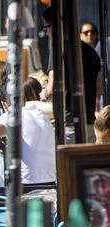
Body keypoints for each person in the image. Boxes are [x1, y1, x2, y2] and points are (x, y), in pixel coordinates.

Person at [41, 6, 101, 142]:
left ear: (55, 26)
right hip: (90, 122)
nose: (46, 33)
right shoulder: (92, 52)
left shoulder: (58, 50)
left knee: (66, 162)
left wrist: (44, 92)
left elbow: (51, 88)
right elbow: (99, 89)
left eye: (46, 28)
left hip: (68, 125)